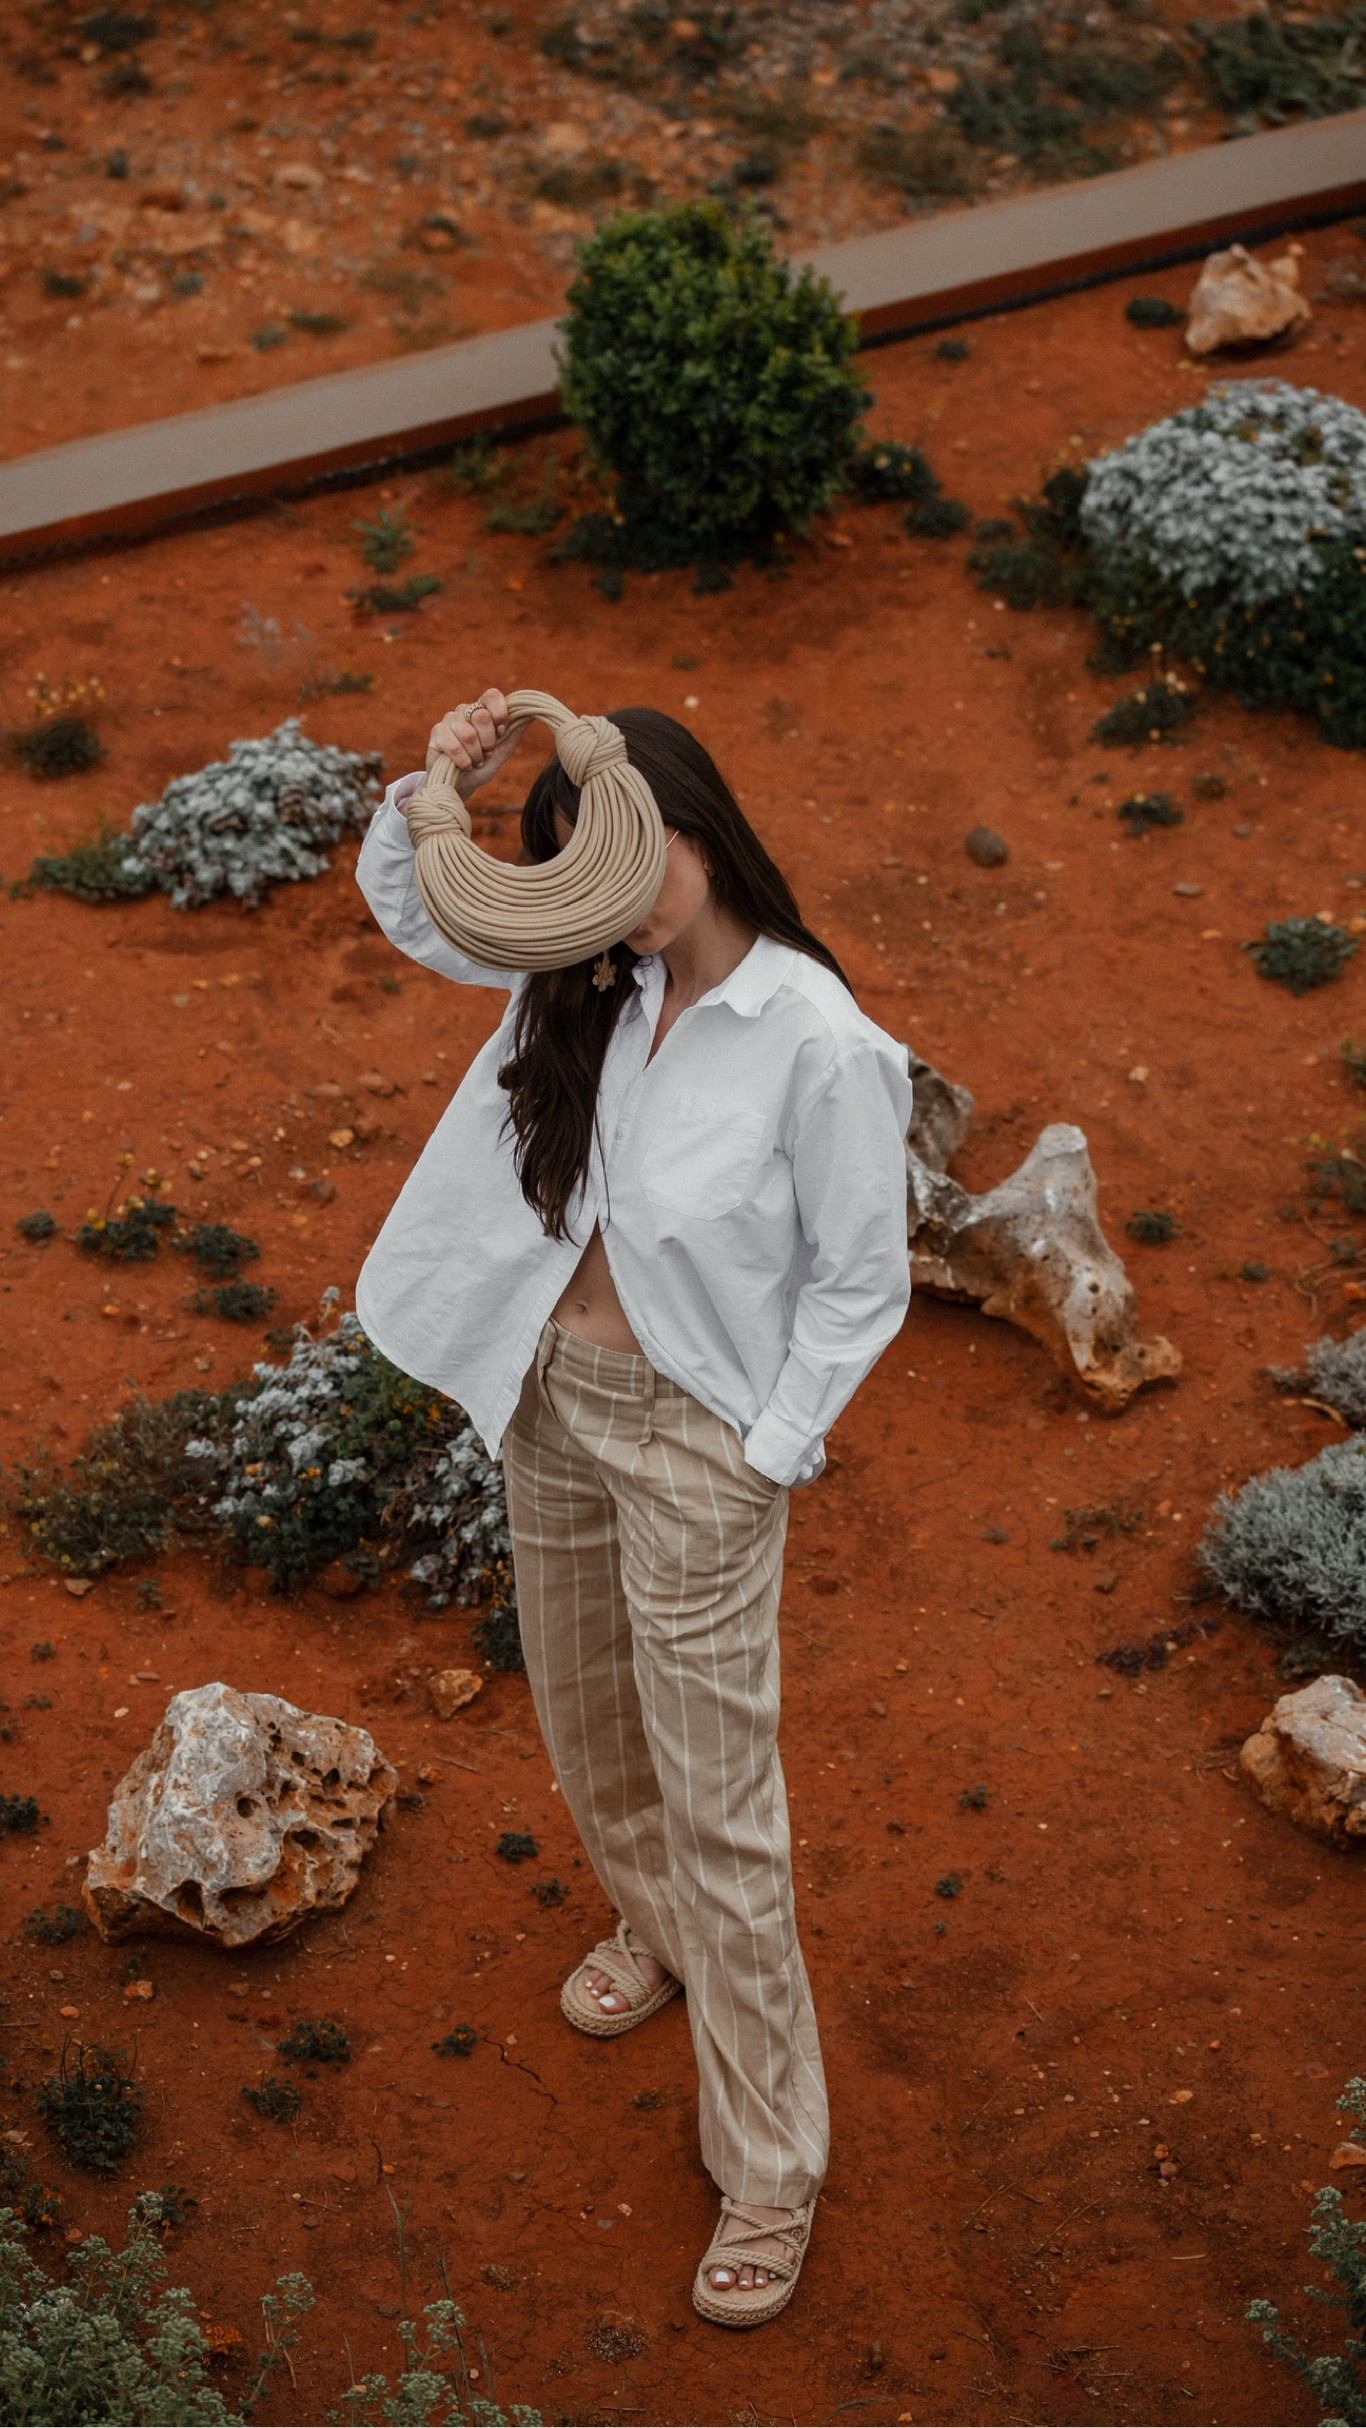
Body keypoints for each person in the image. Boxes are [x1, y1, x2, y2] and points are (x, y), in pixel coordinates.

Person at [355, 687, 913, 2326]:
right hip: (551, 1400)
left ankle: (767, 2166)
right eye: (587, 864)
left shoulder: (817, 1042)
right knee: (591, 1729)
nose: (626, 884)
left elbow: (859, 1283)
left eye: (643, 845)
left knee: (723, 1807)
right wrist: (441, 786)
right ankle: (648, 1926)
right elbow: (420, 916)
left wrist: (768, 1452)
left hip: (697, 1445)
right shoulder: (590, 975)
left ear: (698, 819)